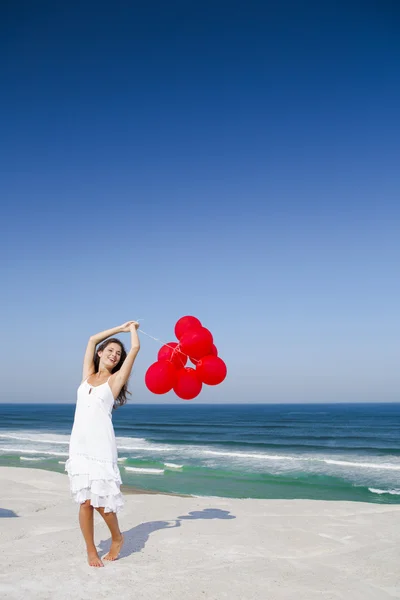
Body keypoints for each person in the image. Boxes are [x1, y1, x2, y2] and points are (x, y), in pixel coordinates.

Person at [65, 321, 140, 567]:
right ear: (100, 353)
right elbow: (91, 339)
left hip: (100, 447)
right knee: (84, 502)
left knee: (102, 503)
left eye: (118, 354)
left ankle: (117, 537)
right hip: (79, 446)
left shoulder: (115, 381)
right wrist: (118, 328)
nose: (114, 355)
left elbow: (136, 349)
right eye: (110, 351)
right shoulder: (87, 375)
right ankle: (90, 550)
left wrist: (131, 332)